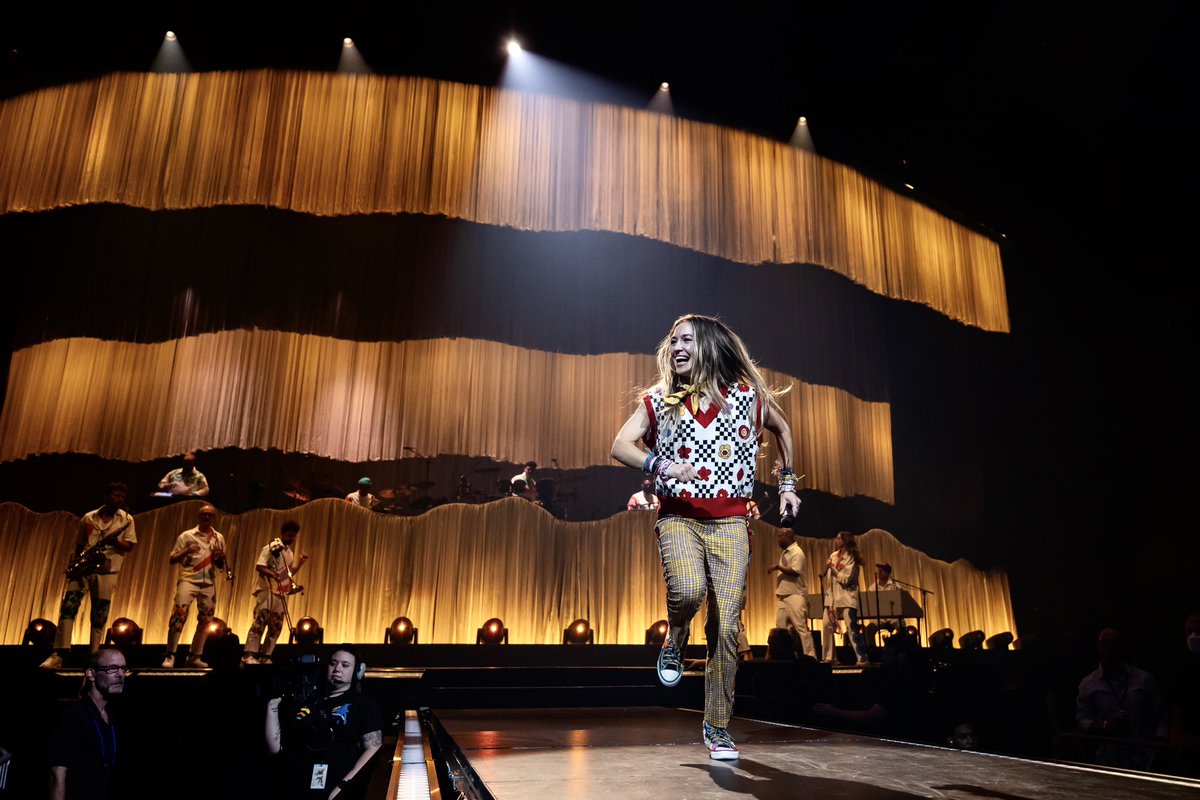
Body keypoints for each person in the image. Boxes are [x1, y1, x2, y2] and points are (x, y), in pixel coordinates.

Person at [611, 314, 801, 760]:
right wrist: (661, 466)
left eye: (687, 340)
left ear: (710, 347)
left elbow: (785, 427)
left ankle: (717, 727)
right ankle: (675, 637)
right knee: (688, 592)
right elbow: (620, 445)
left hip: (732, 522)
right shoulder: (660, 399)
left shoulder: (748, 398)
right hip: (679, 516)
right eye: (673, 340)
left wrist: (788, 483)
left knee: (726, 625)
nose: (676, 346)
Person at [40, 484, 138, 669]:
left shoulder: (127, 519)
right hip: (84, 569)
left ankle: (94, 656)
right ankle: (59, 654)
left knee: (99, 614)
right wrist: (76, 564)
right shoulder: (89, 517)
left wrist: (115, 541)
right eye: (116, 496)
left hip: (107, 570)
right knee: (68, 609)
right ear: (107, 496)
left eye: (122, 497)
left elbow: (130, 546)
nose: (119, 500)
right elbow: (79, 543)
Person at [265, 648, 383, 799]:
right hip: (295, 788)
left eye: (345, 665)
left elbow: (373, 747)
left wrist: (342, 786)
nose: (337, 669)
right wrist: (272, 706)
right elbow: (275, 748)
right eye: (333, 663)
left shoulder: (362, 702)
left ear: (357, 671)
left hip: (334, 790)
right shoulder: (309, 701)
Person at [1076, 627, 1167, 769]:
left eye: (1113, 643)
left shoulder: (1144, 679)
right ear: (1098, 647)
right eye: (1104, 643)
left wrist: (1160, 743)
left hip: (1144, 757)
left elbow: (1160, 714)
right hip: (1107, 759)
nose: (1109, 647)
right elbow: (1082, 719)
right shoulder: (1088, 683)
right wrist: (1104, 726)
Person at [47, 648, 128, 800]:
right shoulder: (73, 718)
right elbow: (57, 776)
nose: (120, 674)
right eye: (112, 668)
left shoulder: (113, 718)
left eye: (123, 669)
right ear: (91, 674)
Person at [162, 504, 228, 669]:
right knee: (179, 616)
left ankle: (194, 656)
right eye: (203, 514)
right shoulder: (187, 535)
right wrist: (186, 551)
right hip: (189, 579)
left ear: (214, 518)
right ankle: (170, 655)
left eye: (210, 515)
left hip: (208, 583)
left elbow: (220, 565)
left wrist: (220, 558)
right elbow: (172, 558)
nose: (206, 517)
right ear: (198, 517)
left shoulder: (219, 538)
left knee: (207, 620)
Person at [242, 520, 308, 665]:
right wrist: (271, 574)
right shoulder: (271, 548)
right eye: (289, 535)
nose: (291, 539)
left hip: (281, 593)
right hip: (268, 590)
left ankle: (266, 655)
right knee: (259, 623)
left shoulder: (289, 553)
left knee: (276, 626)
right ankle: (249, 654)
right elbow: (259, 566)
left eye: (294, 536)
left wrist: (301, 563)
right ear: (283, 534)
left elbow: (288, 575)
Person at [822, 531, 869, 667]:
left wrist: (833, 569)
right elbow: (831, 579)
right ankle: (830, 658)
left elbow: (846, 579)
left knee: (851, 627)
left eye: (838, 538)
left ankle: (862, 658)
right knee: (826, 625)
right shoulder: (833, 556)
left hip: (847, 597)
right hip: (832, 598)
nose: (835, 540)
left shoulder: (852, 557)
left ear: (845, 541)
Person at [769, 526, 816, 659]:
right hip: (784, 595)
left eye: (780, 536)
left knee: (801, 627)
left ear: (788, 536)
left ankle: (811, 656)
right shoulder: (785, 552)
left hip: (795, 594)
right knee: (780, 628)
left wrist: (778, 567)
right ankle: (781, 656)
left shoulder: (797, 552)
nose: (778, 539)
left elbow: (795, 572)